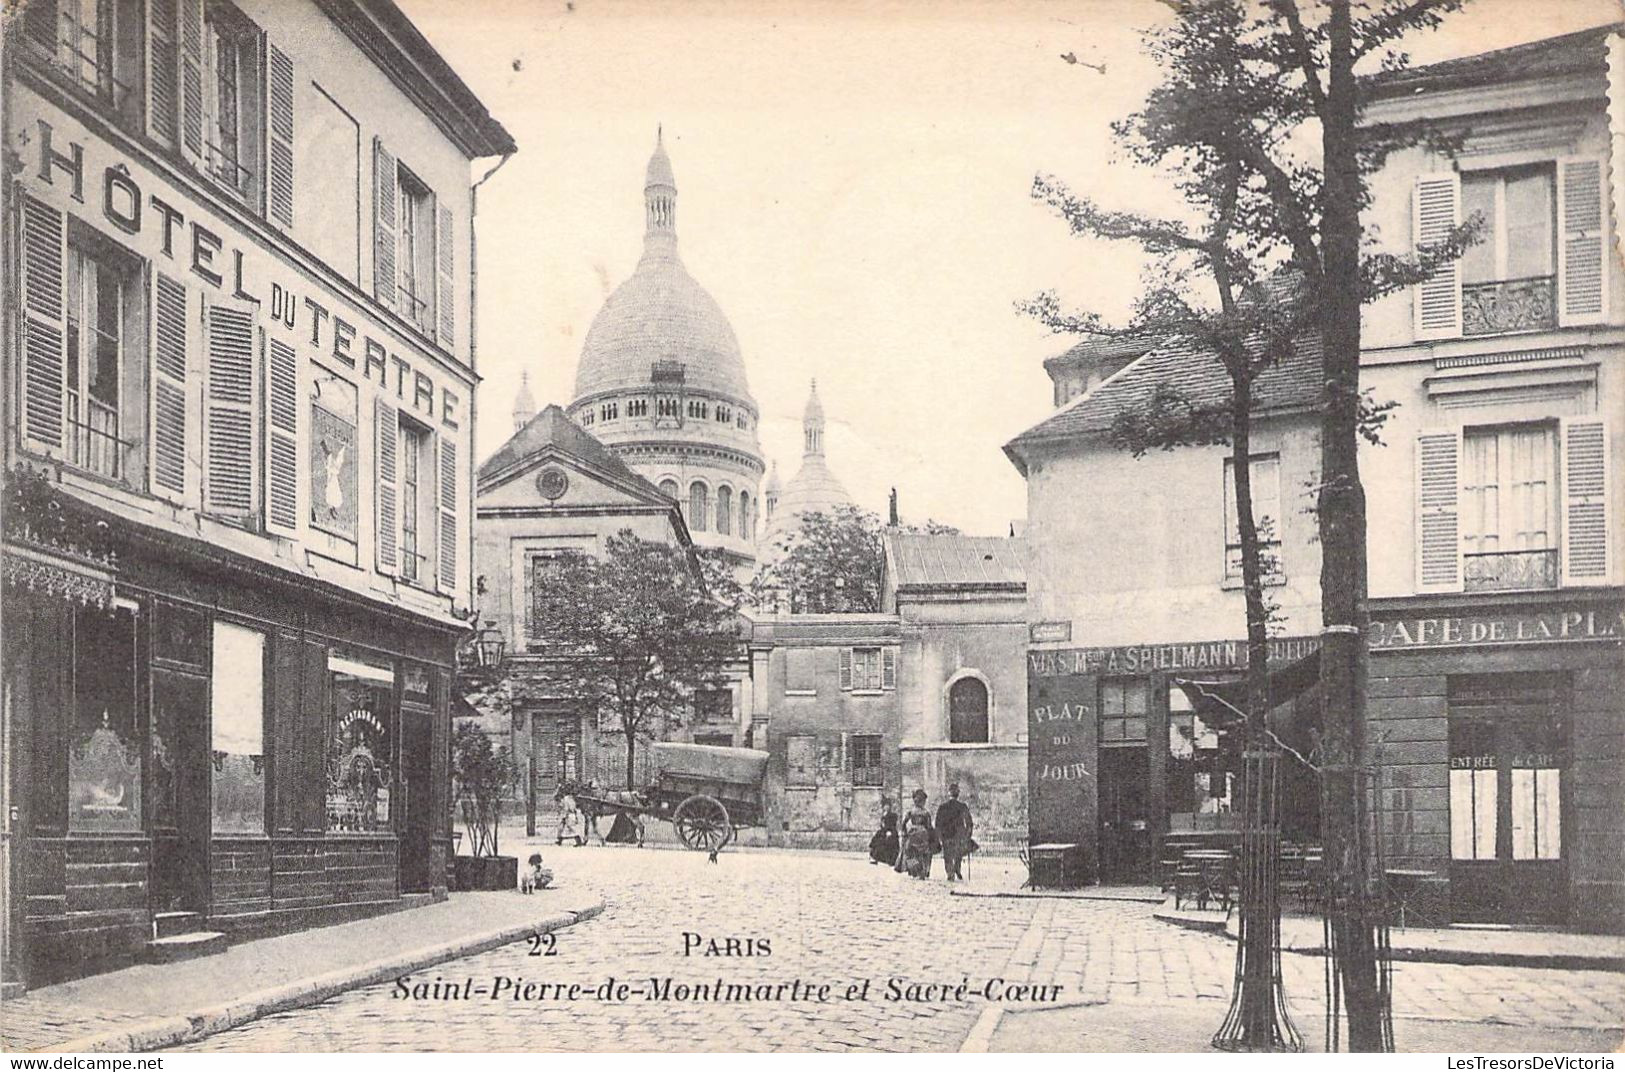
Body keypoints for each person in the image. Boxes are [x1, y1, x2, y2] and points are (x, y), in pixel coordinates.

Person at [935, 782, 975, 882]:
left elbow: (937, 824)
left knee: (948, 855)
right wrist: (968, 834)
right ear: (958, 794)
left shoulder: (942, 807)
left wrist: (939, 836)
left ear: (949, 793)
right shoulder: (962, 806)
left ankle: (950, 873)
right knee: (958, 854)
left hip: (946, 835)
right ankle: (957, 869)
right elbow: (969, 822)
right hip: (959, 835)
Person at [896, 789, 935, 879]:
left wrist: (905, 832)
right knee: (924, 853)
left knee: (911, 853)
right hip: (923, 834)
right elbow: (929, 826)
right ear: (923, 801)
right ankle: (923, 872)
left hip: (913, 834)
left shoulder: (911, 811)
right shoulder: (926, 813)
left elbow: (903, 823)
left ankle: (914, 871)